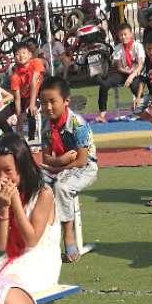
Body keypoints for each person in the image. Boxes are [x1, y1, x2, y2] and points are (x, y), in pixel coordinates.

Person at [0, 133, 60, 292]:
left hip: (41, 263)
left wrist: (15, 201)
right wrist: (3, 207)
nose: (2, 178)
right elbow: (1, 244)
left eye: (8, 170)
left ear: (22, 167)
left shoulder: (43, 194)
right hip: (13, 259)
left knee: (5, 290)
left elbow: (31, 241)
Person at [36, 77, 96, 263]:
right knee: (33, 180)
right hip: (61, 165)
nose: (47, 107)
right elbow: (46, 158)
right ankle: (39, 234)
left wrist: (58, 165)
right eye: (43, 103)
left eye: (52, 101)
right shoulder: (46, 124)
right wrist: (59, 162)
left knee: (62, 186)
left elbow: (81, 161)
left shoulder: (78, 124)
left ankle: (68, 235)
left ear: (66, 101)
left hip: (85, 168)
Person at [96, 22, 144, 122]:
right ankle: (102, 114)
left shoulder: (138, 46)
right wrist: (126, 71)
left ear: (131, 34)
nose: (123, 37)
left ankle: (143, 110)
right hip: (123, 73)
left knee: (135, 86)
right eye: (121, 35)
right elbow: (118, 67)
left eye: (125, 34)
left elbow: (140, 66)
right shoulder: (118, 48)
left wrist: (131, 76)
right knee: (104, 84)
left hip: (136, 73)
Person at [0, 41, 45, 144]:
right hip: (23, 99)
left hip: (38, 95)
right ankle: (13, 139)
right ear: (14, 58)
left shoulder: (36, 63)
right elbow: (17, 98)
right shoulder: (15, 76)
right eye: (17, 54)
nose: (21, 56)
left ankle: (32, 139)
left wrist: (32, 104)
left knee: (31, 111)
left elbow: (34, 83)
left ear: (30, 54)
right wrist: (19, 116)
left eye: (23, 53)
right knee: (0, 117)